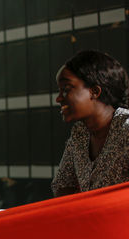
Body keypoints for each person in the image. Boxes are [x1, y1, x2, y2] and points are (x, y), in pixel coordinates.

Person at [52, 50, 129, 197]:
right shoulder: (79, 133)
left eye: (66, 89)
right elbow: (63, 184)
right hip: (93, 218)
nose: (59, 99)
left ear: (94, 91)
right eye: (59, 91)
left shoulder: (126, 129)